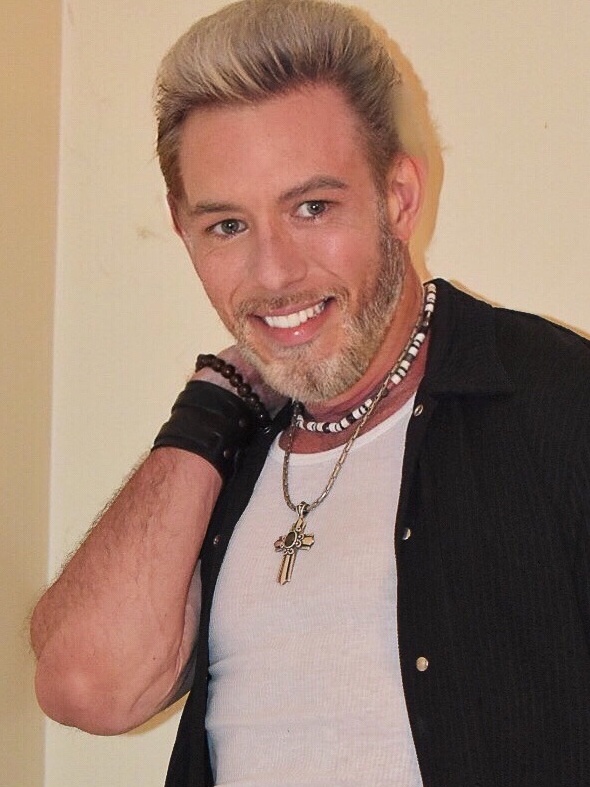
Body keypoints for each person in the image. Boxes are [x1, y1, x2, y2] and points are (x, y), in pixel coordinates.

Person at [30, 0, 590, 785]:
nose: (273, 272)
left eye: (312, 208)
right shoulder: (229, 447)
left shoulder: (557, 403)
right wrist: (215, 395)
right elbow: (88, 685)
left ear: (399, 197)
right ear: (182, 229)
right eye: (227, 226)